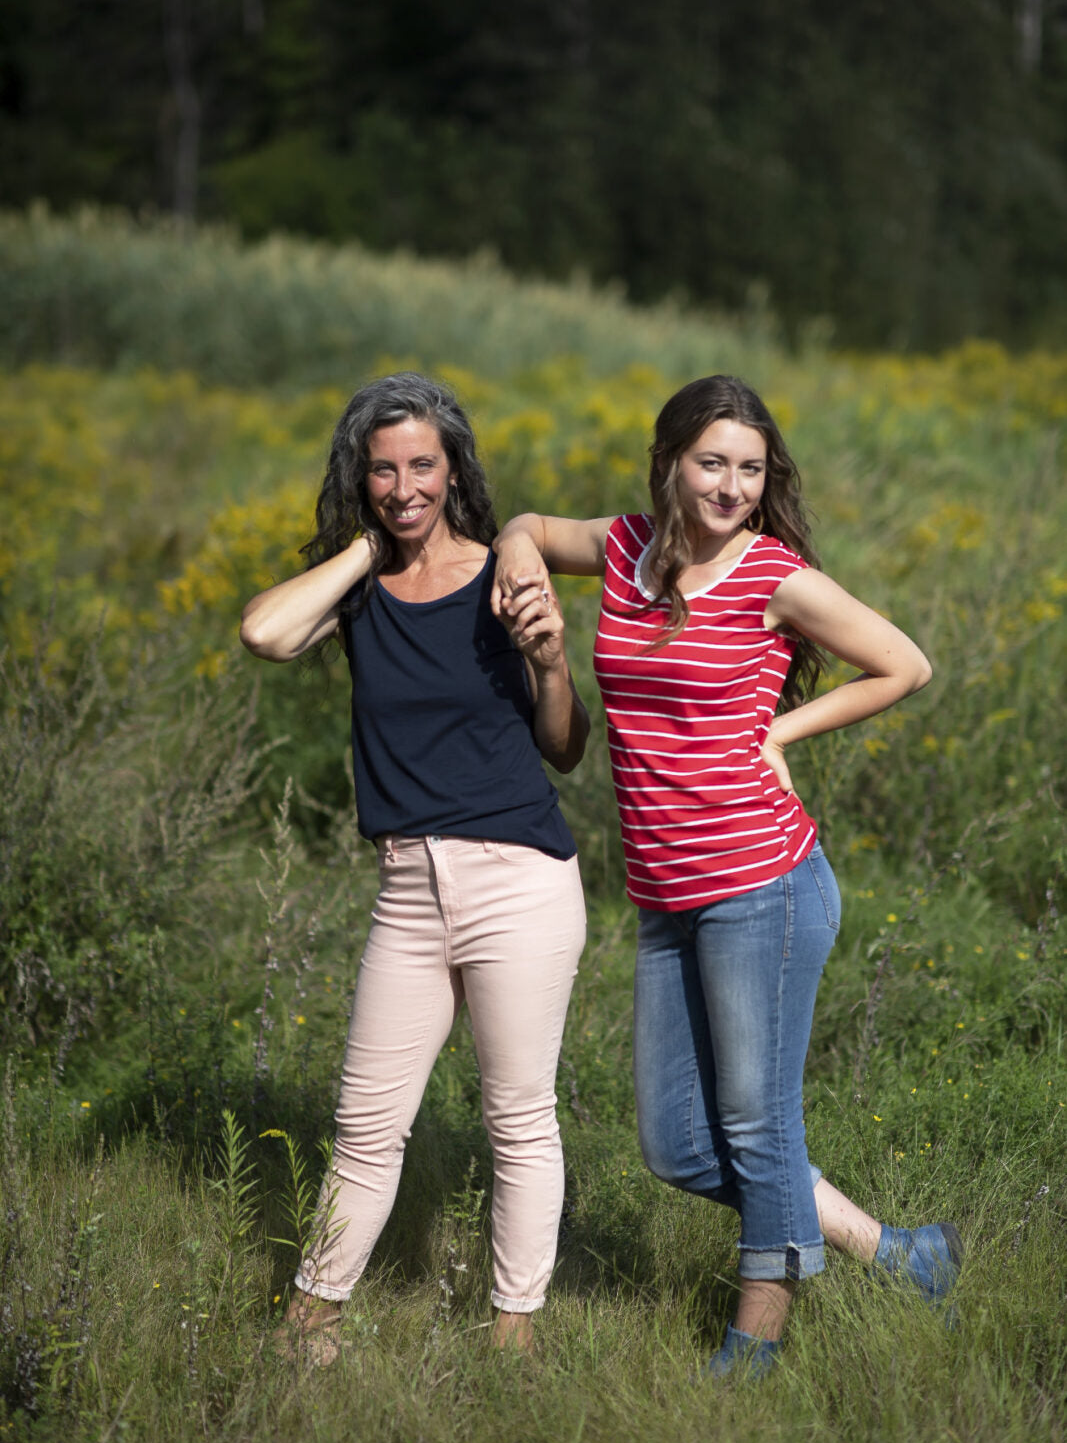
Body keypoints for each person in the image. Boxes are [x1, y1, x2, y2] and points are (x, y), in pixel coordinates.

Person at [491, 373, 963, 1378]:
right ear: (668, 461)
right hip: (665, 898)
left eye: (749, 469)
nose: (729, 486)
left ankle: (752, 1344)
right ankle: (897, 1254)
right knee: (677, 1145)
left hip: (763, 886)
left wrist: (778, 730)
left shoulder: (771, 575)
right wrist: (517, 566)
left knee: (755, 1123)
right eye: (711, 462)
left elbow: (903, 663)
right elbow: (525, 522)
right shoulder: (621, 549)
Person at [240, 372, 588, 1361]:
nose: (404, 487)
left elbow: (564, 748)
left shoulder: (503, 577)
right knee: (364, 1120)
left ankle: (511, 1337)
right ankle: (312, 1320)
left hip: (517, 879)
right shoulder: (357, 594)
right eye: (381, 469)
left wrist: (555, 663)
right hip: (406, 886)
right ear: (360, 477)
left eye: (422, 466)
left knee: (517, 1119)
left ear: (454, 468)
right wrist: (364, 542)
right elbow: (263, 631)